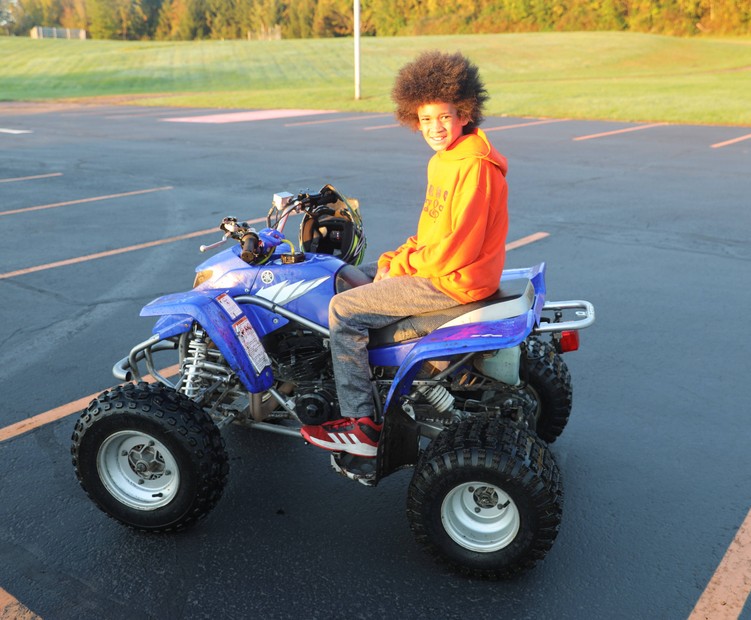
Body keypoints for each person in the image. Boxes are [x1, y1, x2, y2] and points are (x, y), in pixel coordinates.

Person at [300, 50, 509, 458]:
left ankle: (362, 424)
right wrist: (396, 258)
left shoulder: (475, 167)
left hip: (454, 280)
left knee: (342, 310)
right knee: (348, 273)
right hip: (442, 269)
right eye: (426, 119)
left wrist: (402, 268)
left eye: (444, 117)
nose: (435, 128)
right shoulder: (446, 160)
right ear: (413, 117)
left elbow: (454, 249)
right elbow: (432, 231)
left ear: (464, 112)